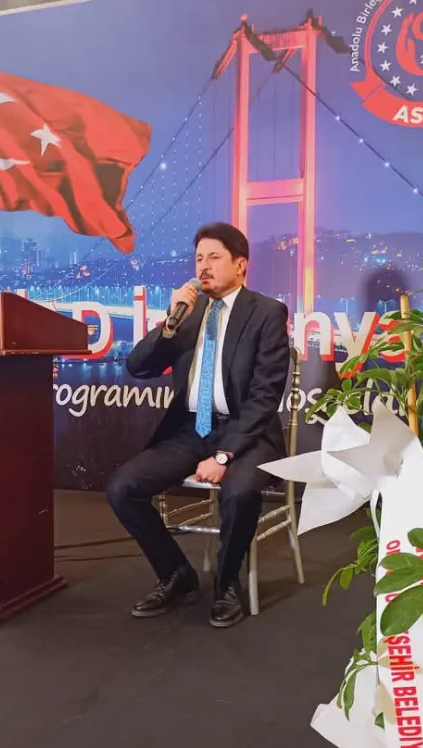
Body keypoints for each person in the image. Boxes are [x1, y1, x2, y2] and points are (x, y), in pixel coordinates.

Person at [106, 222, 291, 628]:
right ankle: (176, 574)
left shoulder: (266, 313)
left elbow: (265, 397)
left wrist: (224, 455)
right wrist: (170, 323)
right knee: (123, 487)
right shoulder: (188, 316)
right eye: (198, 259)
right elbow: (137, 367)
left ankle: (227, 584)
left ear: (240, 264)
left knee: (238, 492)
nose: (203, 267)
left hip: (247, 433)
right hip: (192, 429)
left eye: (214, 258)